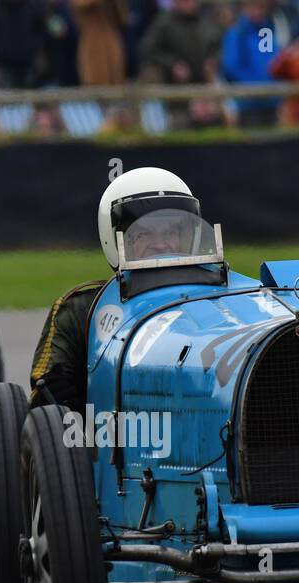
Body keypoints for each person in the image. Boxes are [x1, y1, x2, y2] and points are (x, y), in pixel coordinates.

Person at [29, 167, 203, 411]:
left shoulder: (215, 296)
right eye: (143, 233)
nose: (160, 244)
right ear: (115, 238)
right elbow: (44, 393)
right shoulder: (81, 308)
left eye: (171, 232)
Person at [220, 0, 290, 127]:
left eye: (261, 8)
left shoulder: (266, 33)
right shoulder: (237, 34)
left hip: (270, 103)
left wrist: (274, 89)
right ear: (246, 9)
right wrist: (255, 89)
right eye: (254, 7)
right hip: (248, 105)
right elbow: (231, 68)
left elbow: (273, 63)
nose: (258, 12)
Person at [0, 0, 49, 89]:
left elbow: (42, 31)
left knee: (29, 95)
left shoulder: (35, 6)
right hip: (2, 63)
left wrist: (34, 49)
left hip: (29, 63)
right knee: (6, 99)